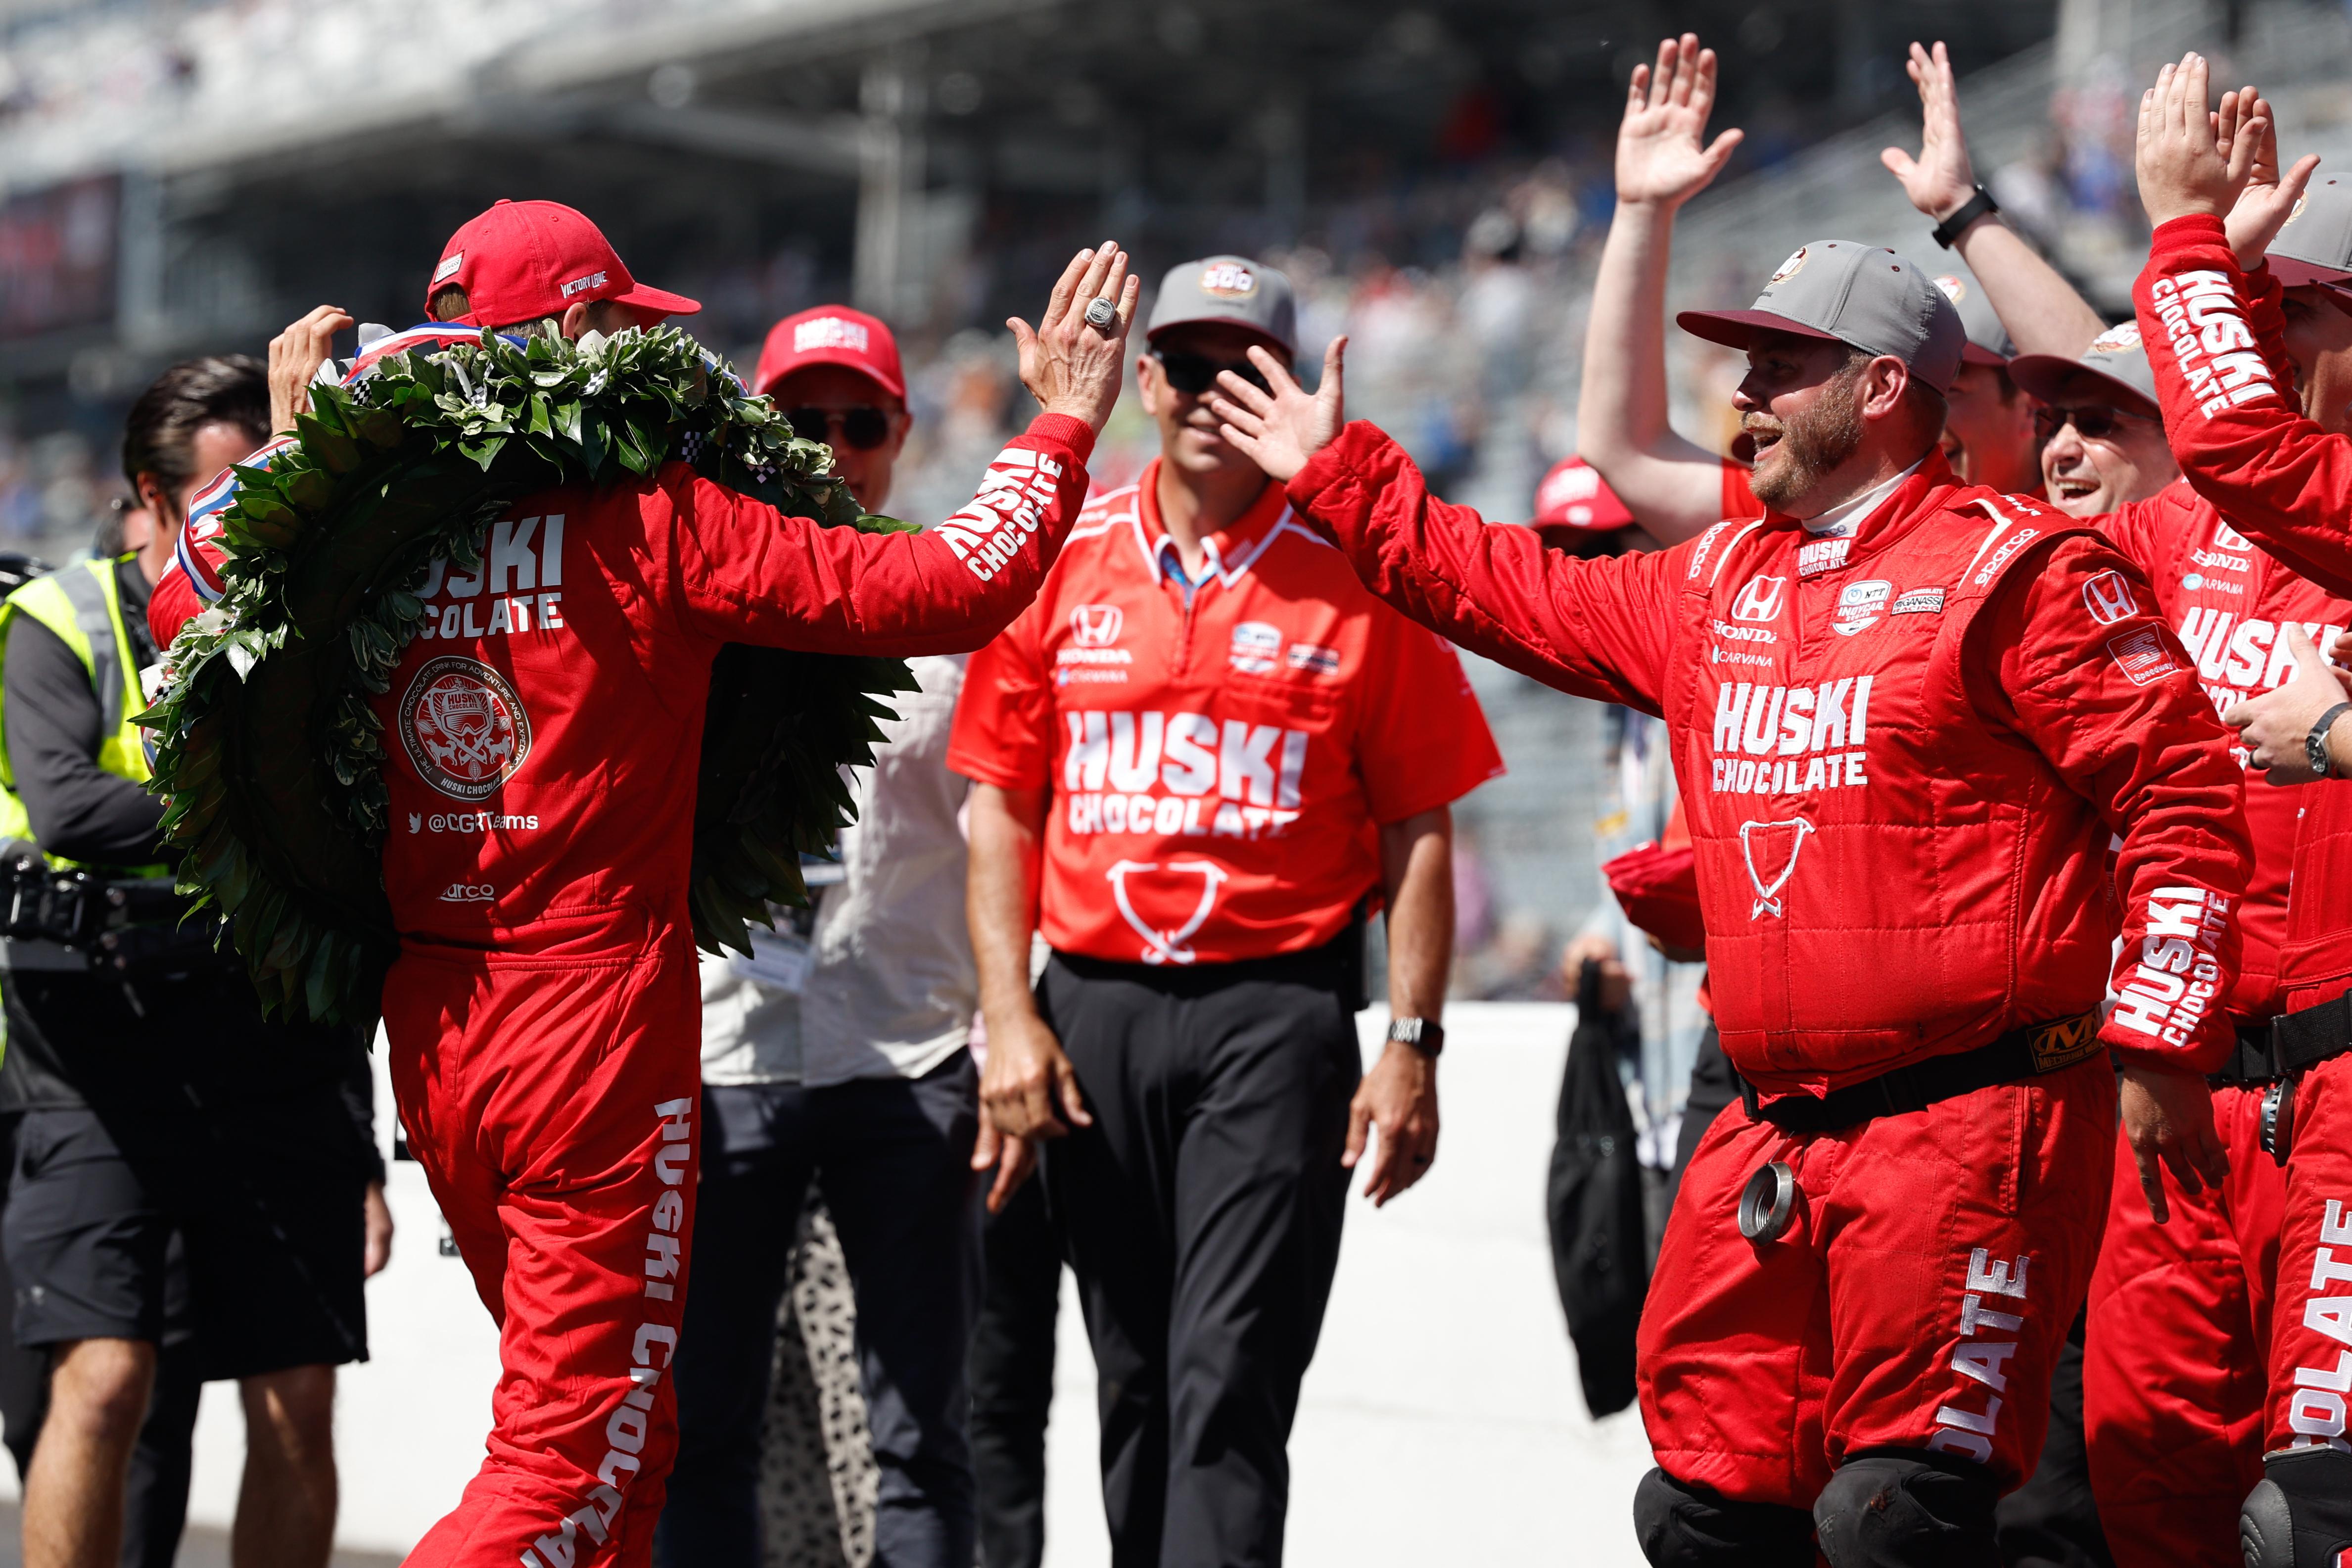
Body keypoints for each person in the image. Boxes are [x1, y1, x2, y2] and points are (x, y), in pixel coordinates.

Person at [1208, 227, 2254, 1564]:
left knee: (1895, 1520)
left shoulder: (2023, 570)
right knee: (1699, 1518)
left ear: (1880, 389)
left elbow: (2181, 797)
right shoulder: (1715, 580)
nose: (1742, 396)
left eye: (1777, 365)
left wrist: (2160, 1040)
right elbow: (1506, 590)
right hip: (1769, 1136)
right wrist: (1345, 477)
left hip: (1972, 1130)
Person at [152, 204, 1138, 1568]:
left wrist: (295, 451)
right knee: (567, 1460)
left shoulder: (361, 526)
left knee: (636, 1438)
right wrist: (1065, 428)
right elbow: (943, 589)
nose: (641, 349)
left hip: (439, 1030)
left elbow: (179, 602)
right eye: (618, 320)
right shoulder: (653, 520)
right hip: (594, 1035)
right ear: (566, 331)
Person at [947, 252, 1501, 1568]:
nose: (1210, 395)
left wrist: (1412, 1046)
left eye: (1244, 368)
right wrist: (1009, 1020)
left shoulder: (1359, 571)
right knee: (1135, 1375)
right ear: (1143, 382)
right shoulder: (1064, 560)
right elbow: (1000, 809)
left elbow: (1423, 824)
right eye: (1187, 367)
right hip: (1093, 1011)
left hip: (1278, 1008)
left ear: (1293, 383)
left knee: (1229, 1375)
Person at [0, 356, 391, 1568]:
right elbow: (68, 811)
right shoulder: (57, 619)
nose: (247, 521)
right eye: (224, 496)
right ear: (152, 498)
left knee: (297, 1402)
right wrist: (264, 804)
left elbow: (361, 853)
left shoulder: (320, 634)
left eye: (264, 490)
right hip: (93, 1066)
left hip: (279, 1054)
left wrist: (366, 1148)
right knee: (107, 1382)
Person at [656, 303, 988, 1568]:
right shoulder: (694, 585)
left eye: (861, 422)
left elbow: (1016, 823)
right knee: (703, 1422)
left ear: (904, 432)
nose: (833, 446)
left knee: (921, 1435)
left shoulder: (957, 599)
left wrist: (1009, 1024)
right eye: (804, 420)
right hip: (723, 1050)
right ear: (760, 426)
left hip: (904, 1051)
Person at [2128, 54, 2352, 1562]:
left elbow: (2235, 438)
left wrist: (2187, 238)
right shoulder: (2175, 540)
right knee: (2143, 1489)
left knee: (2311, 1512)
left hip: (2343, 1079)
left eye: (2304, 316)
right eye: (2257, 321)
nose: (2267, 339)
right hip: (2187, 1092)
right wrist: (2229, 258)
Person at [1578, 36, 2039, 549]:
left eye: (1950, 389)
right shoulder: (1805, 517)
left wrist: (1962, 212)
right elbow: (1626, 450)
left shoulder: (2074, 534)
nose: (1921, 405)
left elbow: (2097, 371)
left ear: (2031, 411)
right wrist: (1642, 211)